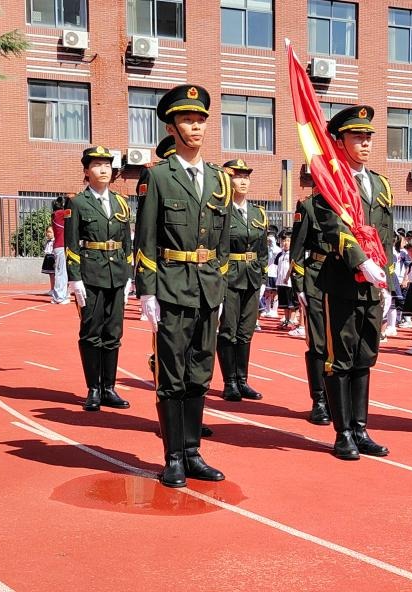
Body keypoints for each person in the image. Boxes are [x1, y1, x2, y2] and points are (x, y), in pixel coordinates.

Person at [134, 84, 229, 488]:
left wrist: (220, 285)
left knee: (200, 372)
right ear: (171, 128)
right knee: (171, 373)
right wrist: (147, 290)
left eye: (200, 120)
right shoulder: (158, 177)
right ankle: (173, 456)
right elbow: (146, 237)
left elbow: (224, 242)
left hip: (208, 288)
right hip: (172, 286)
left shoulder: (220, 179)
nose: (196, 127)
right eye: (187, 120)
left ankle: (193, 452)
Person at [313, 105, 396, 460]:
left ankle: (360, 429)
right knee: (341, 359)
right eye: (357, 137)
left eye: (368, 137)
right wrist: (361, 261)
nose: (365, 143)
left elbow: (386, 234)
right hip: (344, 282)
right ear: (340, 141)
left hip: (373, 286)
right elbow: (333, 227)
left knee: (365, 358)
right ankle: (342, 432)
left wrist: (388, 278)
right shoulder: (331, 182)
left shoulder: (380, 183)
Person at [65, 145, 133, 413]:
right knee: (91, 332)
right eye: (96, 165)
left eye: (107, 165)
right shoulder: (78, 203)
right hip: (91, 275)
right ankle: (93, 388)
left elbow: (127, 242)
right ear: (86, 171)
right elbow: (71, 244)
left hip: (117, 274)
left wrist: (129, 276)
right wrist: (75, 279)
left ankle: (109, 388)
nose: (103, 169)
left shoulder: (121, 202)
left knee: (113, 333)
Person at [216, 159, 268, 402]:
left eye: (246, 176)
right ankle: (229, 382)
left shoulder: (258, 213)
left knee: (246, 331)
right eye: (238, 176)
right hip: (229, 275)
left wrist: (263, 275)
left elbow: (262, 249)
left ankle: (242, 380)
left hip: (252, 276)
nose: (243, 181)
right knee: (228, 330)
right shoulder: (221, 211)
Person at [289, 185, 333, 425]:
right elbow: (297, 249)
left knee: (342, 345)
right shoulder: (308, 207)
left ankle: (336, 399)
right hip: (316, 279)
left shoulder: (349, 203)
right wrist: (299, 284)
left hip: (344, 280)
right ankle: (319, 400)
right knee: (319, 343)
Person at [50, 197, 69, 304]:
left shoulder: (56, 214)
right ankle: (59, 297)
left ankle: (60, 295)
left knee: (62, 272)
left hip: (60, 246)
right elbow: (73, 211)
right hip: (61, 246)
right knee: (61, 272)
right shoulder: (60, 213)